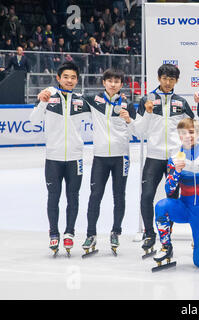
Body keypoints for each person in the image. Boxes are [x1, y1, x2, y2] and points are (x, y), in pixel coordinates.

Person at [121, 63, 195, 255]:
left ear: (177, 80)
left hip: (174, 159)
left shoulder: (181, 102)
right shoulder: (147, 99)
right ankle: (149, 234)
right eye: (164, 78)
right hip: (153, 157)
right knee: (146, 196)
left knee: (172, 198)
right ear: (159, 78)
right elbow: (138, 130)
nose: (168, 82)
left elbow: (191, 128)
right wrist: (147, 112)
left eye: (172, 79)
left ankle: (166, 236)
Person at [30, 61, 91, 256]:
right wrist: (43, 101)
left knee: (73, 197)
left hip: (75, 158)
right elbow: (33, 120)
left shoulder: (82, 100)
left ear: (77, 80)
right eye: (66, 77)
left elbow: (100, 118)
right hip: (53, 158)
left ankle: (69, 233)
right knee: (53, 197)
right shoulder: (49, 96)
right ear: (58, 78)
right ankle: (54, 233)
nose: (69, 80)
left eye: (73, 77)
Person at [79, 68, 136, 256]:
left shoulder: (128, 104)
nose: (113, 84)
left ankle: (116, 232)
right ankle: (91, 234)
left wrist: (129, 120)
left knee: (119, 195)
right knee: (95, 196)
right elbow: (70, 94)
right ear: (104, 82)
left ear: (121, 84)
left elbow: (136, 131)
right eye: (109, 80)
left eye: (117, 81)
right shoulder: (93, 100)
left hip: (122, 157)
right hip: (100, 157)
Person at [152, 118, 199, 268]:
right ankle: (166, 247)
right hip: (184, 206)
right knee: (161, 206)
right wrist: (176, 172)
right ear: (180, 136)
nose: (188, 136)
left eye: (191, 132)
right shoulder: (174, 158)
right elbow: (169, 190)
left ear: (197, 134)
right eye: (184, 133)